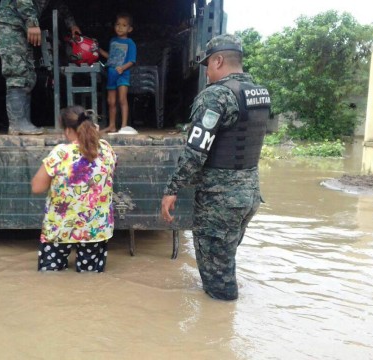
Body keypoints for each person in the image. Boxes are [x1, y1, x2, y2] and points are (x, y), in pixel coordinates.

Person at [160, 34, 271, 300]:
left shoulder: (216, 96)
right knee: (224, 263)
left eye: (208, 65)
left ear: (219, 60)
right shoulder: (259, 93)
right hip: (249, 195)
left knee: (218, 282)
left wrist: (172, 188)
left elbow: (197, 150)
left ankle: (219, 336)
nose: (207, 72)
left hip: (220, 202)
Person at [31, 106, 116, 272]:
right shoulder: (106, 149)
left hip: (60, 228)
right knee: (89, 279)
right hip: (95, 229)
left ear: (68, 130)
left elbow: (37, 187)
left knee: (50, 277)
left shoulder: (60, 153)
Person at [0, 0, 81, 135]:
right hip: (10, 22)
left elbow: (60, 5)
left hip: (21, 25)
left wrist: (72, 25)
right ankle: (17, 123)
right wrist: (32, 23)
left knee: (28, 73)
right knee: (17, 71)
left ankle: (24, 123)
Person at [98, 13, 137, 134]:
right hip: (111, 74)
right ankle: (112, 126)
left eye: (124, 25)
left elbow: (132, 60)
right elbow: (111, 58)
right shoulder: (113, 41)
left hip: (123, 74)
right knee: (111, 101)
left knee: (122, 99)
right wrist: (98, 50)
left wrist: (123, 68)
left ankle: (124, 126)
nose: (120, 27)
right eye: (118, 24)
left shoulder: (130, 43)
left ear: (129, 29)